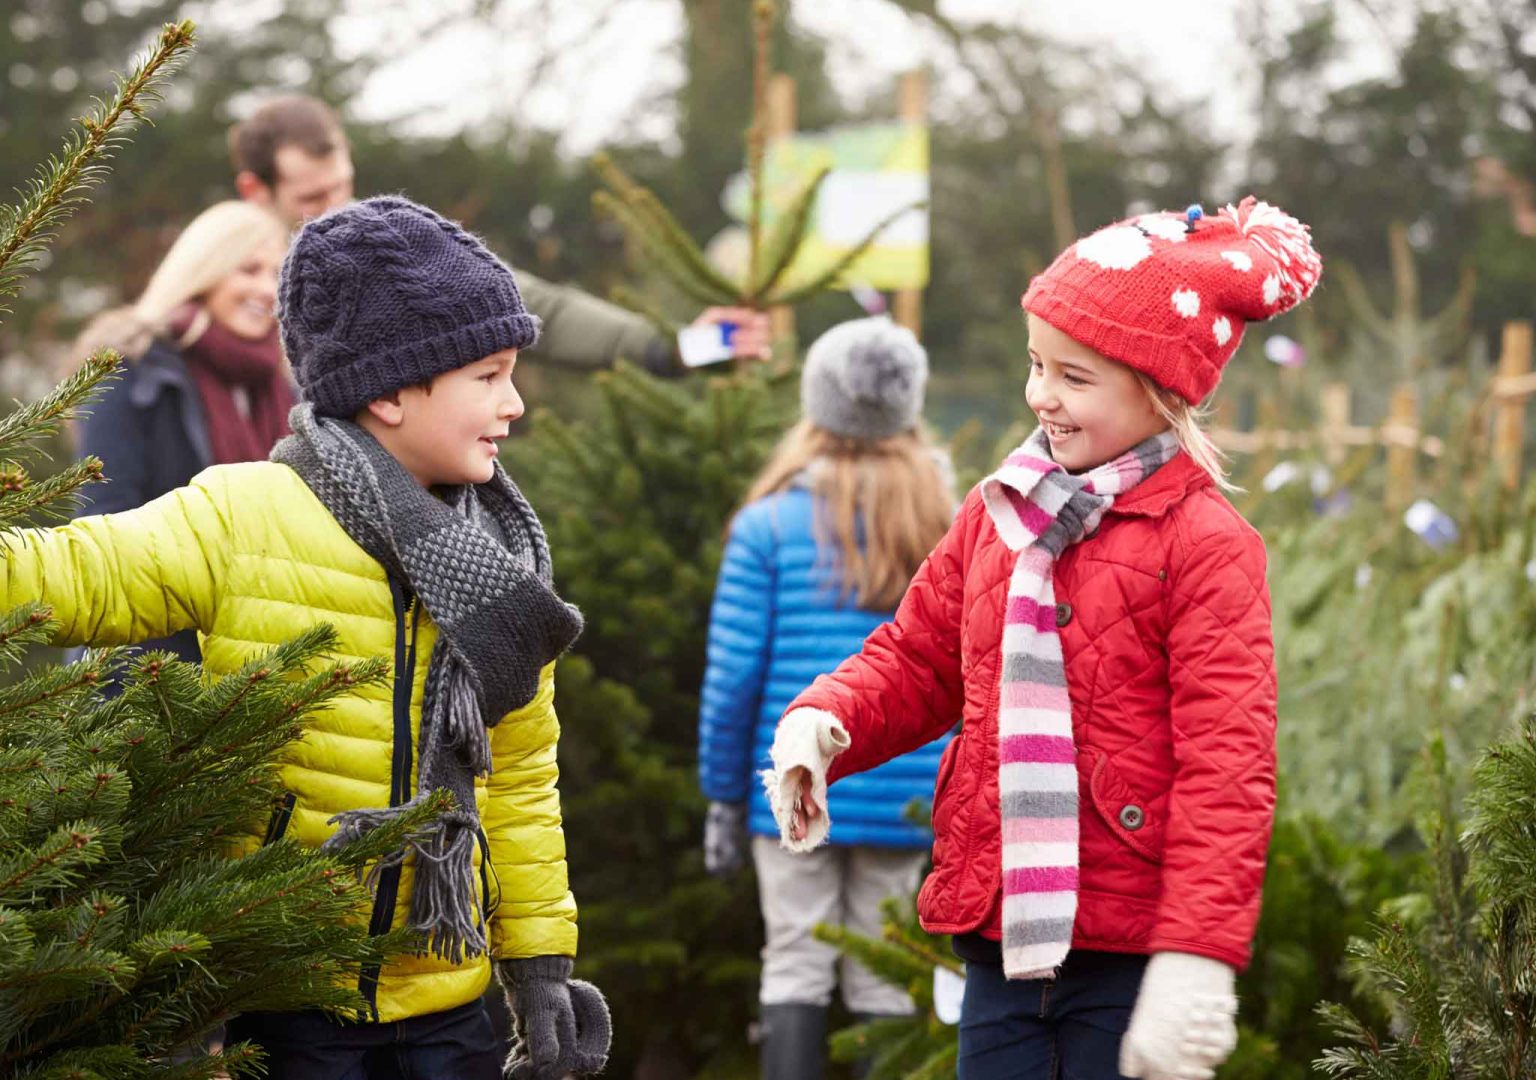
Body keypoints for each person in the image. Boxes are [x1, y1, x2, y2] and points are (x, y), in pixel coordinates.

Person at [0, 195, 611, 1080]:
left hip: (450, 1000)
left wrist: (540, 967)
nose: (513, 404)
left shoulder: (500, 565)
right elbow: (73, 569)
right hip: (288, 999)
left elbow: (517, 782)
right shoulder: (246, 513)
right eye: (489, 375)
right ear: (391, 389)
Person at [763, 199, 1322, 1080]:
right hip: (1001, 936)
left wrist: (1197, 957)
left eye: (1074, 377)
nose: (1041, 397)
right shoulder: (998, 515)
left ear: (1158, 388)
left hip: (1129, 949)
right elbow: (917, 655)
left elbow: (1228, 765)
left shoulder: (1207, 545)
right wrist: (829, 719)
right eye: (1036, 366)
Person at [697, 317, 956, 1080]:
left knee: (795, 959)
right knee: (883, 965)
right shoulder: (943, 522)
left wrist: (721, 795)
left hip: (794, 783)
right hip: (907, 787)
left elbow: (734, 677)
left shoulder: (767, 526)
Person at [227, 93, 772, 374]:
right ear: (256, 190)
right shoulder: (221, 285)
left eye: (342, 186)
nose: (336, 209)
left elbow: (541, 311)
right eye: (311, 200)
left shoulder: (392, 256)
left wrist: (686, 347)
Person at [69, 199, 294, 666]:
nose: (268, 289)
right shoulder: (131, 366)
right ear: (205, 270)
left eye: (278, 274)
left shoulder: (285, 391)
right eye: (249, 269)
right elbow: (105, 525)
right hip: (141, 664)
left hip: (253, 666)